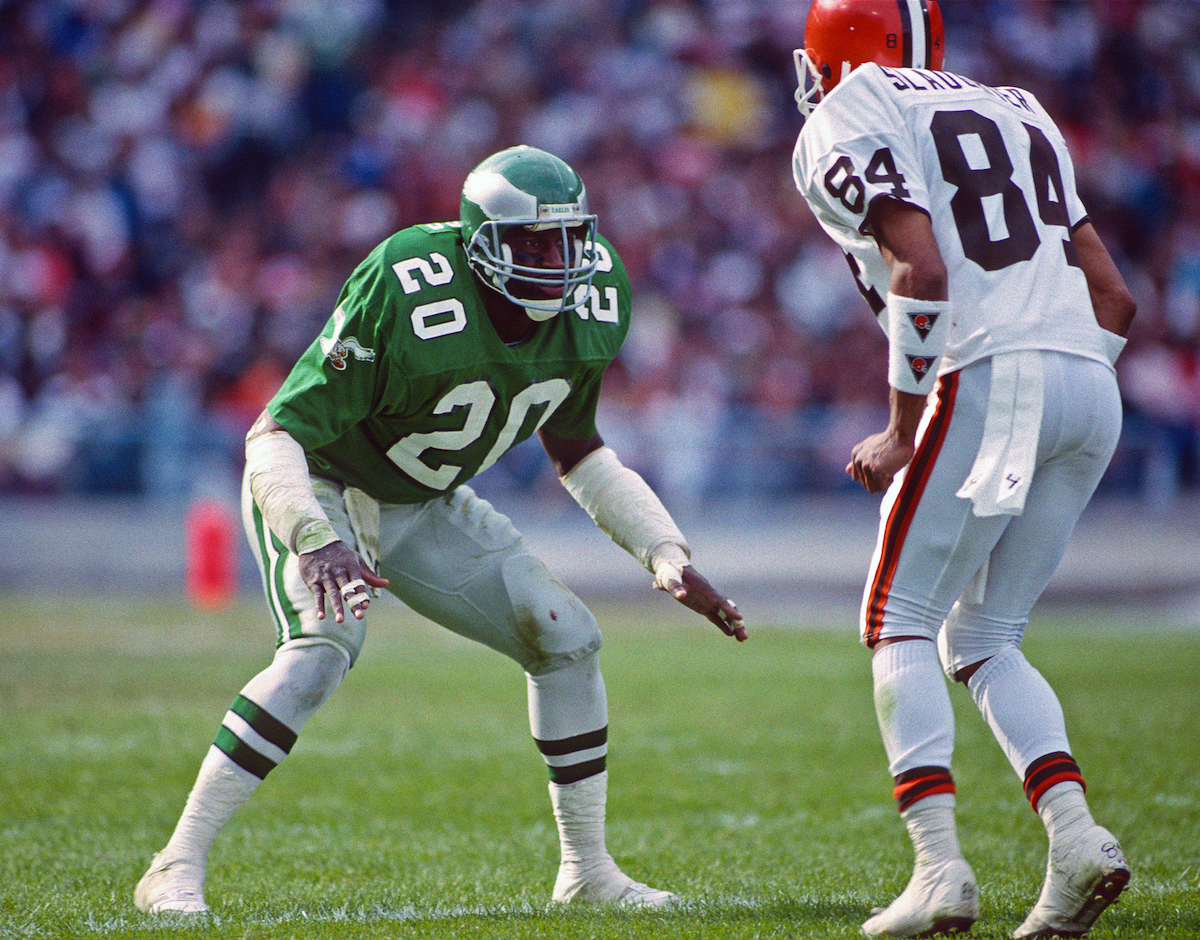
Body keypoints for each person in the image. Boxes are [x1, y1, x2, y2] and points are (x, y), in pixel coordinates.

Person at [135, 144, 746, 915]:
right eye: (532, 242)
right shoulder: (408, 284)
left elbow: (579, 451)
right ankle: (175, 863)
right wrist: (316, 537)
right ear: (479, 242)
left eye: (567, 240)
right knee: (321, 653)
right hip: (321, 483)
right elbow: (277, 432)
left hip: (423, 500)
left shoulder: (596, 300)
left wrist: (664, 552)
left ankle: (587, 873)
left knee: (566, 636)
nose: (556, 261)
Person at [790, 2, 1135, 937]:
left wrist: (903, 426)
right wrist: (1058, 380)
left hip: (989, 371)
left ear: (831, 53)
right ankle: (1075, 843)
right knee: (985, 634)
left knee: (895, 619)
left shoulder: (847, 108)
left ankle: (939, 867)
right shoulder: (1018, 104)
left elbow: (922, 267)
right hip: (1089, 377)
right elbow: (1115, 294)